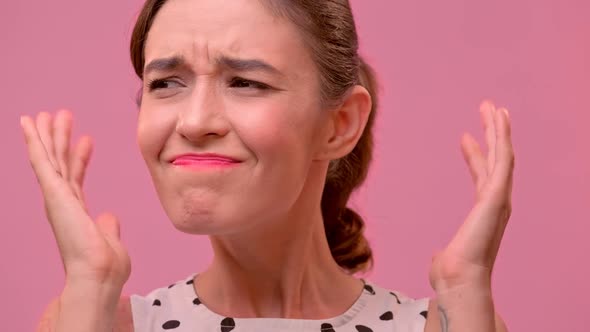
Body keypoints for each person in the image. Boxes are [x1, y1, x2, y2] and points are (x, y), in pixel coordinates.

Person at [21, 0, 514, 331]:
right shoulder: (100, 320)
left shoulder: (444, 322)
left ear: (339, 124)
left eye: (245, 83)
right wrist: (88, 285)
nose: (194, 122)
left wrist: (466, 289)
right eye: (167, 82)